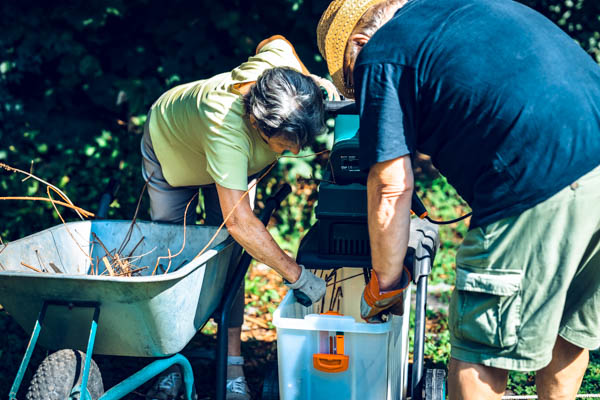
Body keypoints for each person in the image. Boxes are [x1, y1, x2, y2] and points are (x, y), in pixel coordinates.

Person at [316, 0, 600, 399]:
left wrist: (387, 283)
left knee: (478, 351)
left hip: (535, 179)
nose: (360, 89)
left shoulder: (382, 53)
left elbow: (391, 186)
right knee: (567, 329)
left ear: (360, 43)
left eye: (352, 78)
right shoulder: (470, 10)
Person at [141, 36, 332, 400]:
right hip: (173, 149)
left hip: (228, 160)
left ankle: (232, 366)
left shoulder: (287, 80)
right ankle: (168, 364)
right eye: (286, 145)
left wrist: (311, 83)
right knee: (171, 254)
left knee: (229, 257)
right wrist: (296, 275)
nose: (294, 151)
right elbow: (240, 222)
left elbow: (275, 41)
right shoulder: (225, 123)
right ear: (257, 124)